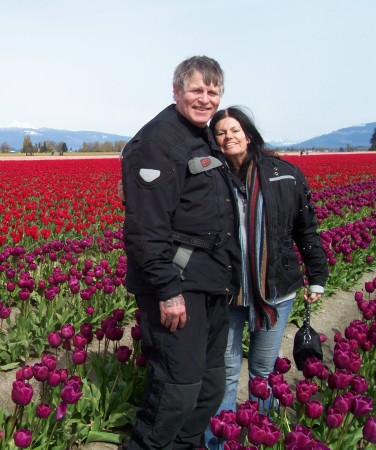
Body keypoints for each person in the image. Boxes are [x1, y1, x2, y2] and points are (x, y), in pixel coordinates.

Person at [120, 57, 241, 450]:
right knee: (177, 390)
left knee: (209, 386)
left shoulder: (202, 137)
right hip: (177, 286)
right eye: (196, 90)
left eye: (213, 91)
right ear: (176, 92)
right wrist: (167, 291)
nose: (206, 99)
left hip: (211, 282)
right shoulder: (159, 142)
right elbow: (146, 229)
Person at [205, 106, 328, 449]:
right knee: (226, 371)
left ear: (248, 132)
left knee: (262, 369)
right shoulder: (209, 177)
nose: (228, 137)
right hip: (228, 291)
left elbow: (306, 229)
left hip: (275, 290)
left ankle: (261, 435)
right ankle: (221, 440)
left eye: (235, 130)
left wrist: (317, 275)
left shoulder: (284, 174)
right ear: (213, 139)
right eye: (220, 132)